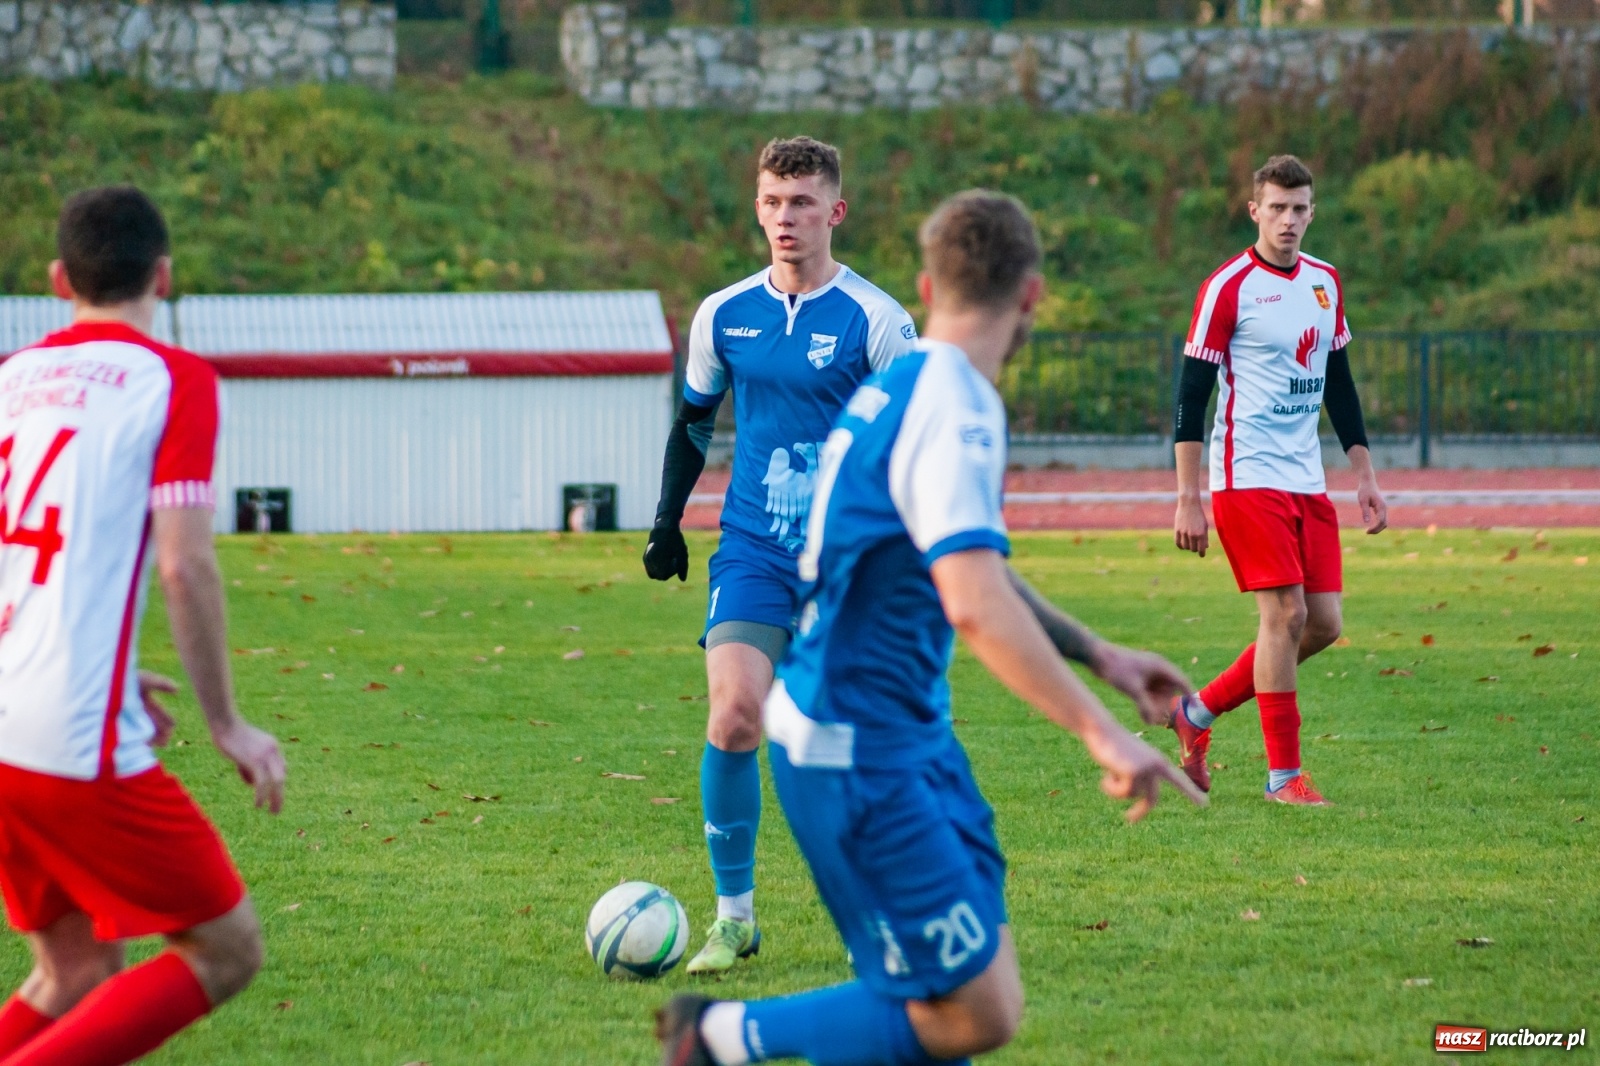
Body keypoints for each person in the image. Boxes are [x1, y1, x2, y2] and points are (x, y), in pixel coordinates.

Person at [655, 190, 1205, 1066]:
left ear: (925, 284)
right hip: (855, 750)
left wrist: (1097, 652)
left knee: (983, 990)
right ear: (1032, 297)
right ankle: (719, 1036)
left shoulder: (898, 386)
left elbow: (969, 565)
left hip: (906, 739)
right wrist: (1103, 736)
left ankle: (719, 1035)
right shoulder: (955, 405)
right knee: (971, 1013)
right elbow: (974, 604)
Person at [0, 186, 286, 1066]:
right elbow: (183, 561)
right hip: (69, 738)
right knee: (228, 949)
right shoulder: (175, 378)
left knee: (76, 968)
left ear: (58, 280)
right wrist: (227, 723)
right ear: (164, 275)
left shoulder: (10, 380)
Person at [643, 136, 919, 975]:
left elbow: (911, 445)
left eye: (801, 202)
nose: (784, 217)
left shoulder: (876, 319)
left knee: (851, 746)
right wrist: (666, 521)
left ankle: (882, 912)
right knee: (733, 716)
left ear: (835, 210)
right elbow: (694, 424)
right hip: (754, 551)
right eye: (771, 201)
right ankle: (735, 921)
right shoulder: (723, 313)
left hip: (847, 564)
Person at [1169, 155, 1388, 806]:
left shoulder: (1325, 283)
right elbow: (1191, 396)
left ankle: (1197, 712)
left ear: (1312, 212)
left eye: (1300, 209)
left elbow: (1339, 384)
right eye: (1278, 208)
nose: (1289, 220)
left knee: (1322, 623)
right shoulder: (1227, 287)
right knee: (1285, 614)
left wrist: (1365, 475)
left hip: (1307, 479)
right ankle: (1284, 779)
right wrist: (1189, 496)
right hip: (1246, 475)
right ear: (1254, 210)